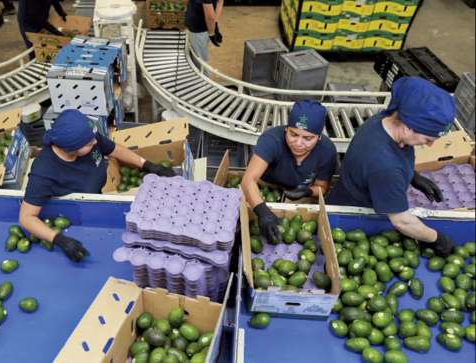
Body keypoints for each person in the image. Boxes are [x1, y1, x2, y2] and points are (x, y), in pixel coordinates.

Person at [19, 110, 176, 262]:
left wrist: (146, 165)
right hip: (80, 215)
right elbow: (26, 217)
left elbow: (114, 149)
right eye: (89, 143)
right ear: (71, 148)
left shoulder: (88, 138)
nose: (95, 142)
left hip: (98, 198)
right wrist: (58, 239)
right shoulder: (44, 172)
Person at [327, 77, 456, 257]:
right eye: (427, 139)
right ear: (407, 127)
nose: (429, 146)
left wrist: (412, 175)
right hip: (355, 217)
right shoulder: (386, 167)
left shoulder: (383, 120)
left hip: (349, 192)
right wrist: (436, 238)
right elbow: (402, 222)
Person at [241, 100, 338, 244]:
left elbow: (322, 188)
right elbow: (248, 179)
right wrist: (263, 212)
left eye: (307, 138)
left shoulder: (327, 151)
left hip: (296, 191)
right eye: (293, 134)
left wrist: (307, 192)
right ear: (287, 129)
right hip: (264, 187)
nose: (298, 143)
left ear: (318, 137)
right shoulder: (272, 140)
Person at [184, 0, 224, 73]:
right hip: (201, 28)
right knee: (199, 55)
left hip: (198, 30)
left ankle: (204, 81)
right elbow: (220, 1)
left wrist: (212, 33)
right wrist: (215, 24)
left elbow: (210, 17)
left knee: (200, 61)